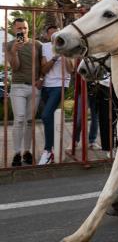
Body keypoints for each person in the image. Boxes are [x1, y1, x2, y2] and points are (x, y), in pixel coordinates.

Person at [4, 18, 45, 167]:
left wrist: (41, 78)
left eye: (25, 28)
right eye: (19, 28)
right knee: (19, 118)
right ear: (14, 29)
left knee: (29, 121)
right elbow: (15, 67)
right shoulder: (8, 45)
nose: (23, 31)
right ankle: (16, 153)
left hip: (34, 88)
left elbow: (43, 64)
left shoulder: (37, 44)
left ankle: (27, 152)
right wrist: (14, 52)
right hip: (18, 87)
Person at [38, 25, 74, 165]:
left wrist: (63, 54)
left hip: (60, 85)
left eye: (57, 34)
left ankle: (48, 150)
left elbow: (71, 70)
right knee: (50, 117)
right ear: (47, 36)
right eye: (51, 34)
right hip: (46, 86)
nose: (54, 36)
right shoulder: (45, 47)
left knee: (46, 115)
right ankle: (53, 148)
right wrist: (54, 58)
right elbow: (43, 69)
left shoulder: (67, 46)